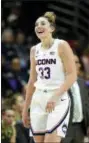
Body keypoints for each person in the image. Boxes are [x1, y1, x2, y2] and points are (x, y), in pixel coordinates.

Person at [22, 11, 77, 143]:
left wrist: (56, 95)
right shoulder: (34, 50)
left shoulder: (61, 45)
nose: (38, 26)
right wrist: (25, 108)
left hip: (58, 98)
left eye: (42, 23)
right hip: (38, 99)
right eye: (36, 24)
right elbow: (32, 81)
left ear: (51, 28)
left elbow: (72, 75)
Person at [62, 53, 89, 143]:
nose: (79, 65)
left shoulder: (82, 83)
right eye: (76, 62)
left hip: (80, 129)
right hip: (64, 130)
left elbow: (86, 105)